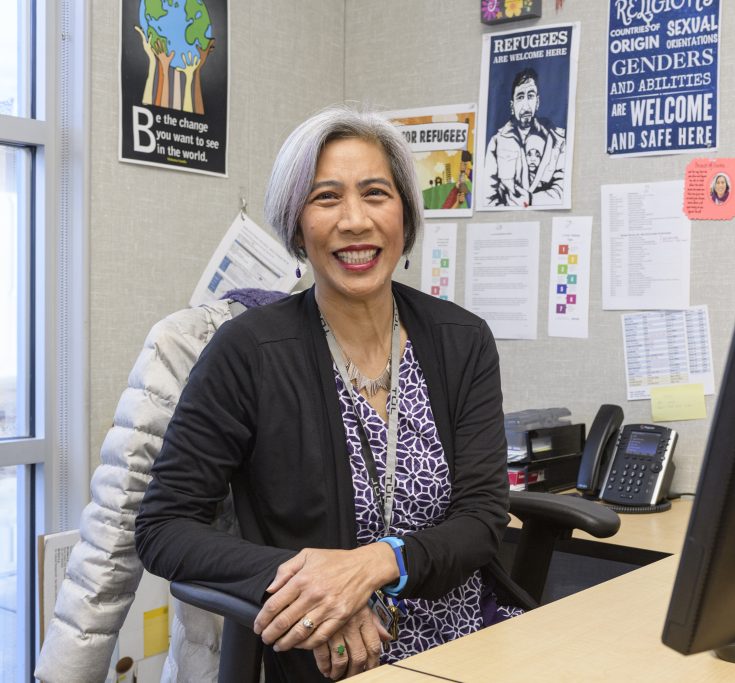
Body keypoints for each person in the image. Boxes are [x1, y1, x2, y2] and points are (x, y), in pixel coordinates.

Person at [136, 107, 520, 682]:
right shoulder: (248, 352)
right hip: (329, 657)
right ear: (296, 225)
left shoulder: (461, 340)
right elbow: (164, 527)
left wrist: (372, 565)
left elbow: (483, 518)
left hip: (466, 641)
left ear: (406, 216)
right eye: (326, 198)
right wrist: (317, 587)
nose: (355, 221)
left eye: (375, 194)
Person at [483, 67, 566, 207]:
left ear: (538, 102)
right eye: (520, 97)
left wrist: (531, 200)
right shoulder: (496, 142)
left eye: (531, 96)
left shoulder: (557, 141)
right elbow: (487, 198)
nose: (526, 105)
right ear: (512, 106)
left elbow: (561, 192)